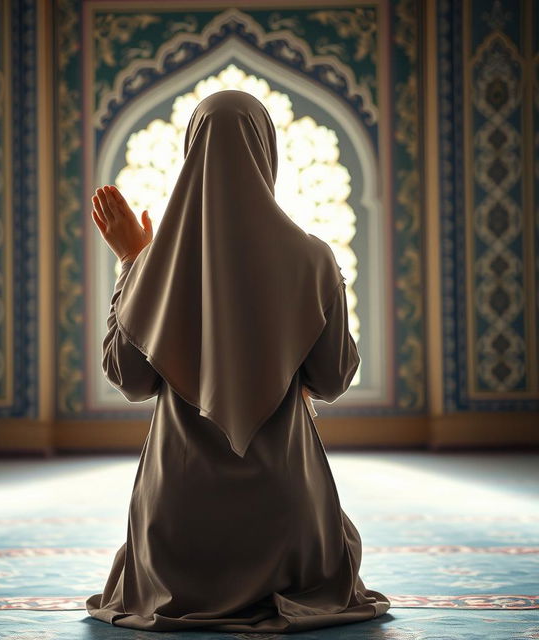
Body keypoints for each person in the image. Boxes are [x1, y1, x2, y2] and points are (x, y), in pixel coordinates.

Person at [86, 89, 391, 632]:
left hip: (176, 535)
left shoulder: (154, 264)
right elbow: (333, 378)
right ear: (266, 153)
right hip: (288, 527)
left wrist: (133, 262)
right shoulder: (314, 257)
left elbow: (129, 380)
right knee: (334, 544)